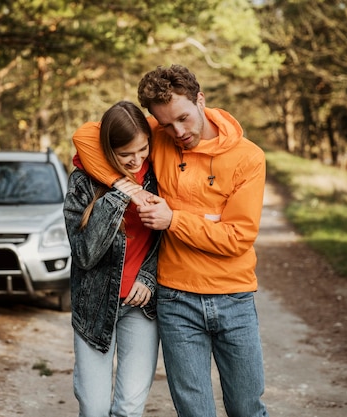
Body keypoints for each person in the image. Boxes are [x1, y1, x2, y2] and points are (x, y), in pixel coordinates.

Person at [72, 65, 269, 417]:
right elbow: (87, 136)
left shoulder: (248, 158)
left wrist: (173, 219)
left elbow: (237, 237)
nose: (178, 132)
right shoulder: (157, 138)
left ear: (200, 100)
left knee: (246, 408)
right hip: (176, 299)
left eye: (183, 118)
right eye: (165, 124)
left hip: (234, 297)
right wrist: (123, 185)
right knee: (193, 412)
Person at [63, 100, 161, 417]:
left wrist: (148, 277)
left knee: (130, 407)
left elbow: (168, 237)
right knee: (93, 408)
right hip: (94, 304)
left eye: (142, 150)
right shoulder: (82, 181)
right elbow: (85, 255)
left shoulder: (159, 176)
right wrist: (121, 190)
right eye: (125, 154)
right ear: (108, 150)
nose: (136, 160)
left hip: (140, 308)